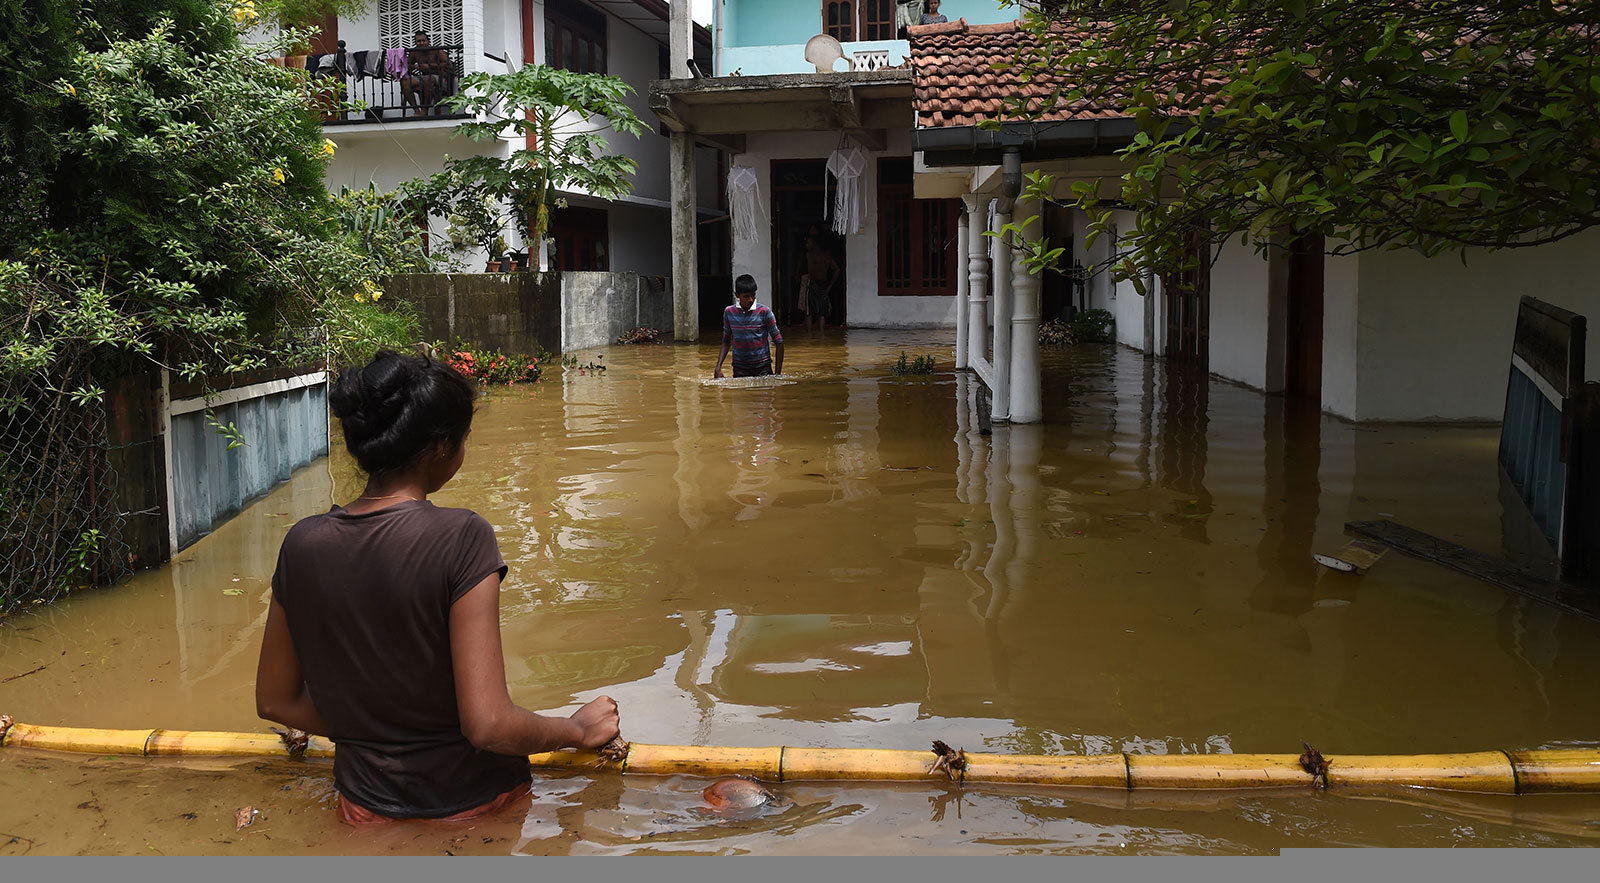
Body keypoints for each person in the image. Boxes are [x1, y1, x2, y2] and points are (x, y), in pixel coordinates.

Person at [255, 350, 620, 824]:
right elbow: (488, 725)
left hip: (362, 811)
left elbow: (274, 701)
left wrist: (373, 733)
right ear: (440, 448)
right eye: (464, 438)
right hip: (477, 809)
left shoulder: (302, 543)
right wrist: (573, 728)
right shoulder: (464, 536)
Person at [715, 274, 784, 378]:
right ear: (737, 295)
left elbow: (779, 342)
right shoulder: (729, 312)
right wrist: (718, 367)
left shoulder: (764, 312)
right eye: (746, 296)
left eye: (753, 295)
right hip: (739, 368)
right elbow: (726, 341)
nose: (751, 299)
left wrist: (778, 374)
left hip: (763, 367)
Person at [401, 31, 454, 116]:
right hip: (423, 78)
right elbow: (408, 65)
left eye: (423, 40)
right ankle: (417, 111)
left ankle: (425, 110)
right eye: (418, 41)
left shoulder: (437, 51)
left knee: (428, 79)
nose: (421, 43)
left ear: (428, 41)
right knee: (405, 81)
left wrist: (429, 66)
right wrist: (413, 66)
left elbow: (449, 64)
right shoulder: (415, 52)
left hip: (439, 78)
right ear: (415, 43)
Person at [799, 235, 840, 333]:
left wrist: (812, 283)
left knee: (809, 312)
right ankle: (822, 337)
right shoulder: (827, 255)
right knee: (822, 313)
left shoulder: (810, 255)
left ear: (814, 244)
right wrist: (829, 287)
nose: (806, 245)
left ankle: (809, 336)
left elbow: (811, 270)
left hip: (813, 284)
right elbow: (838, 270)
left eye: (808, 243)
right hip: (824, 284)